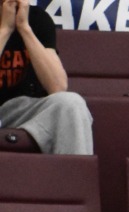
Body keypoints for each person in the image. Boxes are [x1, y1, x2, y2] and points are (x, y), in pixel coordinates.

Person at [0, 0, 89, 154]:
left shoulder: (37, 19)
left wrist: (25, 28)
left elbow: (58, 86)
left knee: (71, 103)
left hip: (20, 110)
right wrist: (5, 29)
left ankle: (73, 176)